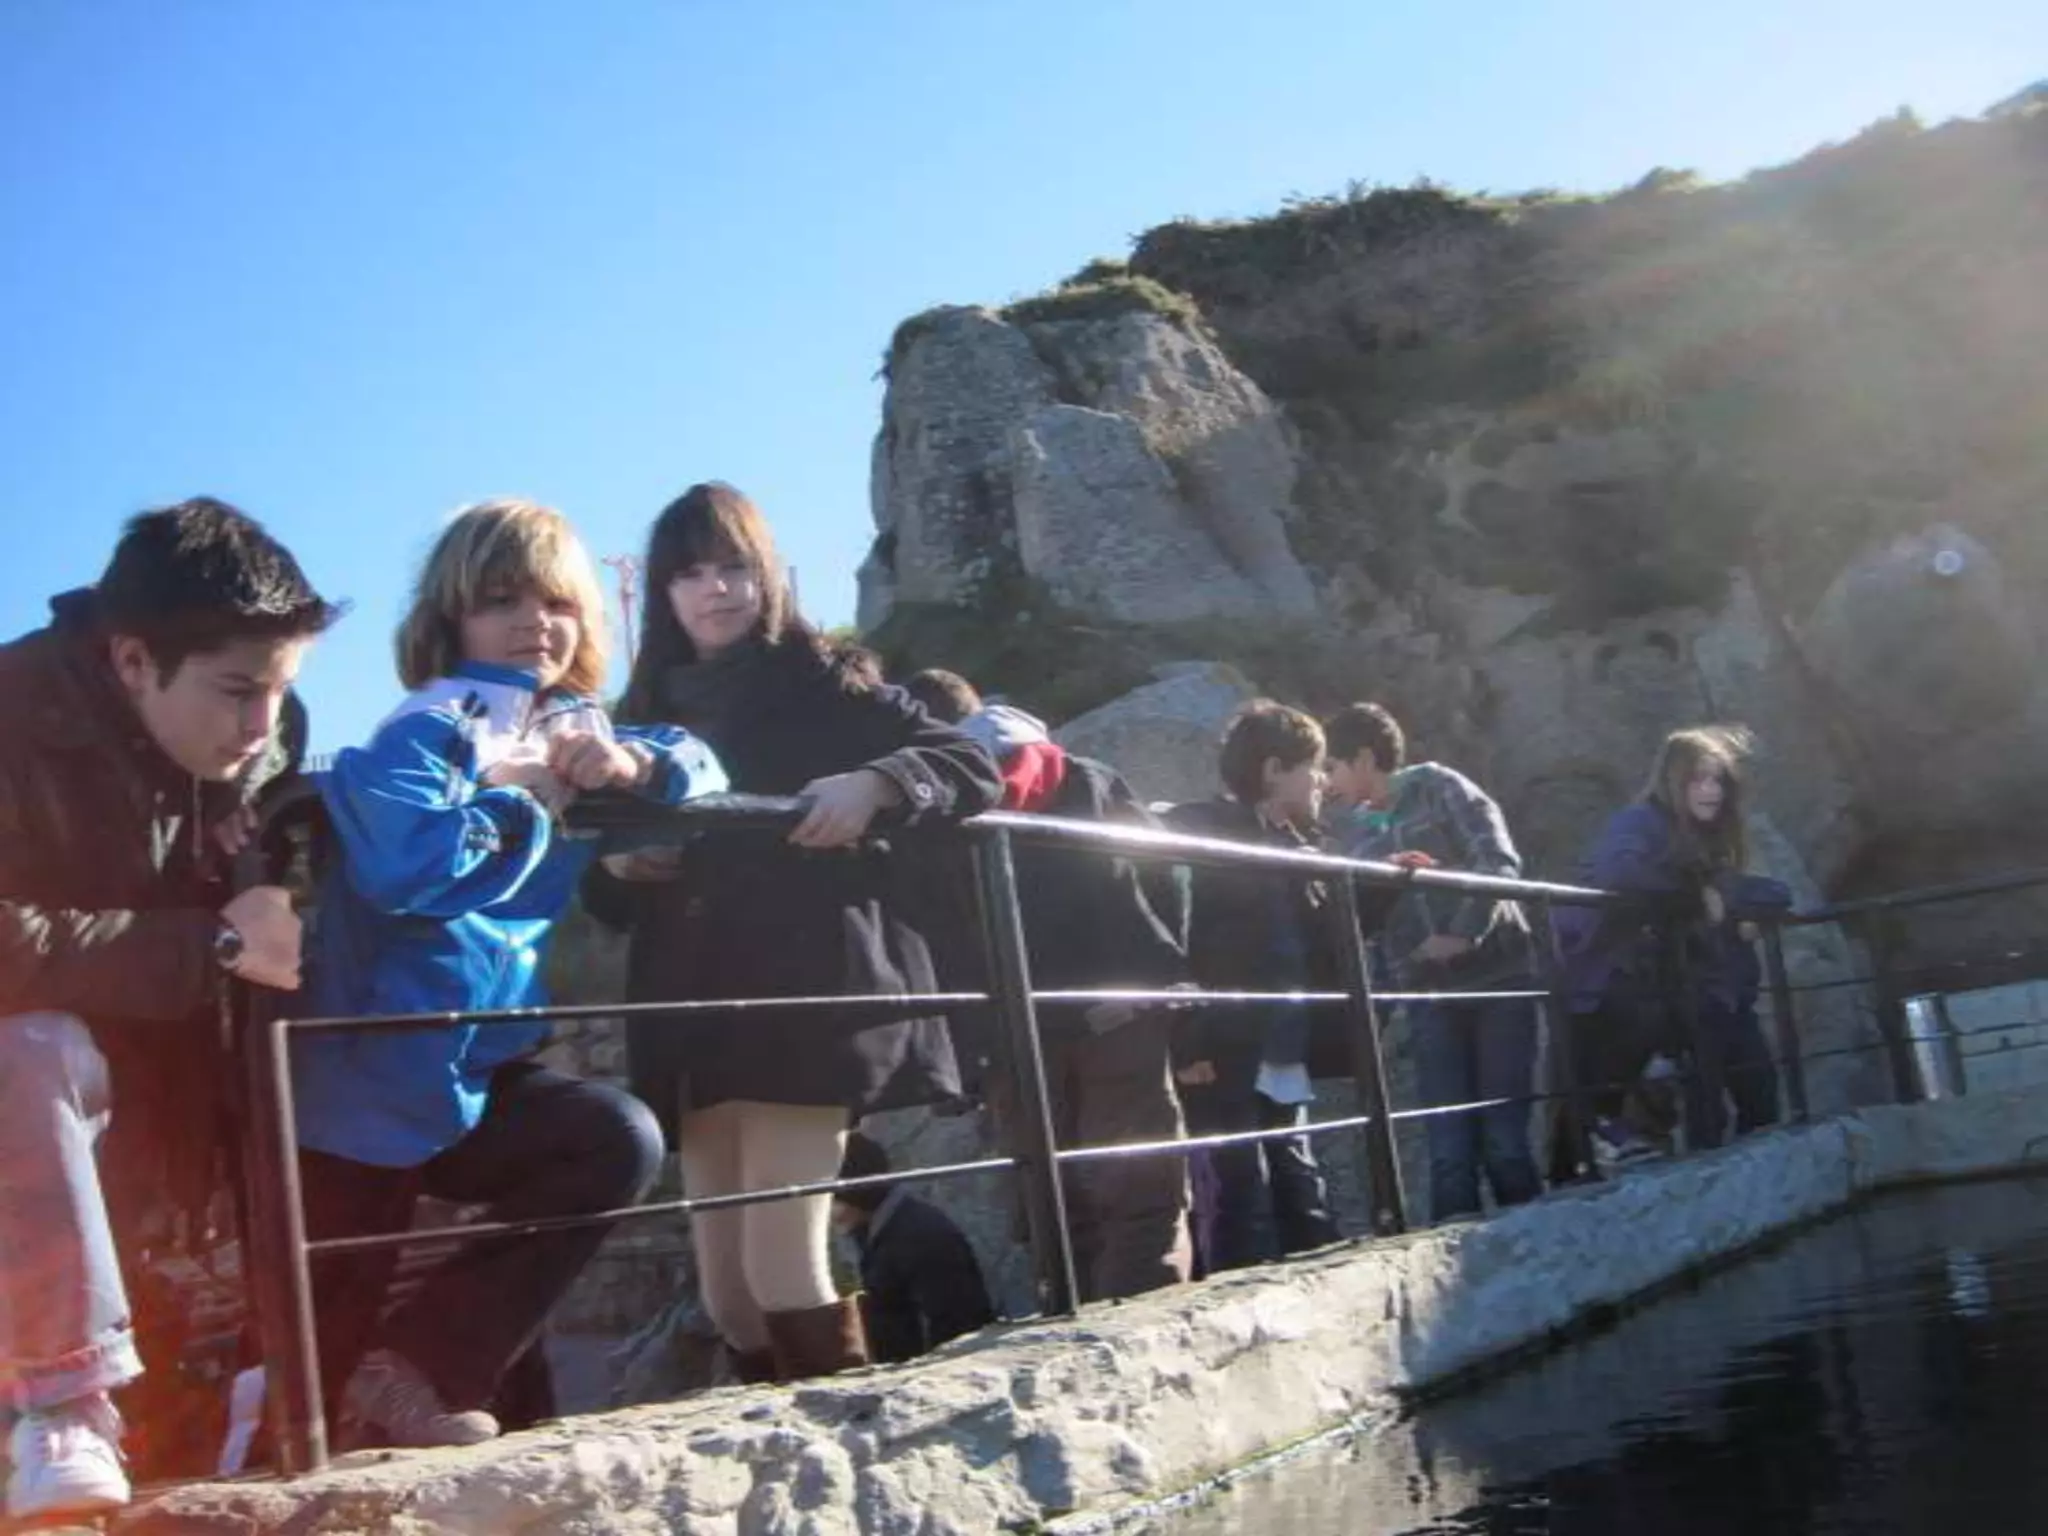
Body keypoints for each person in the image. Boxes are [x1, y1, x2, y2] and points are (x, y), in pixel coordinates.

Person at [291, 500, 727, 1449]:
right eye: (500, 601)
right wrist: (523, 803)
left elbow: (704, 768)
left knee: (612, 1137)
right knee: (312, 1360)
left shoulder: (575, 722)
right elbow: (406, 869)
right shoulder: (428, 724)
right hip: (367, 1076)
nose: (535, 622)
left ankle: (417, 1368)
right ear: (450, 619)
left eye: (556, 601)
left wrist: (634, 767)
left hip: (480, 1067)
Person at [586, 483, 1000, 1385]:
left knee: (784, 1266)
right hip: (696, 1018)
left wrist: (878, 784)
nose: (715, 589)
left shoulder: (827, 682)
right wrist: (619, 867)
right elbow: (601, 886)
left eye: (734, 566)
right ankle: (789, 1439)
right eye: (690, 573)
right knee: (728, 1295)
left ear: (767, 574)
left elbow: (970, 761)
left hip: (806, 1001)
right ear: (663, 594)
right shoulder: (643, 715)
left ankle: (849, 1442)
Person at [0, 499, 337, 1521]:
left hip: (167, 1119)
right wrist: (214, 945)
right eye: (238, 691)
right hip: (31, 1103)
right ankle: (61, 1400)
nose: (263, 725)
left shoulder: (267, 737)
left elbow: (279, 866)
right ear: (134, 660)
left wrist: (280, 887)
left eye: (283, 689)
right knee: (30, 1046)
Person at [903, 668, 1194, 1302]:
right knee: (1142, 1196)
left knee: (1051, 1200)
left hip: (1015, 1027)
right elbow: (1164, 872)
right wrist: (1165, 970)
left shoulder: (935, 804)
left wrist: (964, 1048)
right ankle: (1145, 1326)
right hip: (1120, 1008)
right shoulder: (1085, 775)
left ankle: (1068, 1319)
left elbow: (934, 932)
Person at [1324, 703, 1543, 1222]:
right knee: (1448, 1148)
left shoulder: (1441, 787)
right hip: (1427, 992)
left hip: (1497, 978)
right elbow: (1368, 921)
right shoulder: (1355, 831)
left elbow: (1497, 861)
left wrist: (1462, 932)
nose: (1327, 782)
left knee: (1504, 1140)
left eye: (1332, 767)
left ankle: (1537, 1243)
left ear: (1363, 759)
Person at [1165, 701, 1342, 1273]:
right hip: (1225, 1042)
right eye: (1312, 768)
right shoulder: (1199, 833)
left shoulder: (1292, 845)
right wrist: (1186, 1037)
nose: (1322, 781)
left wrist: (1380, 889)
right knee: (1242, 1196)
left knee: (1301, 1190)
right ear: (1272, 771)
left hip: (1280, 1044)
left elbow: (1324, 942)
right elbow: (1174, 940)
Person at [1556, 726, 1783, 1161]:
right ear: (1674, 781)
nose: (1711, 791)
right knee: (1704, 1112)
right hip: (1666, 990)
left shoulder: (1713, 839)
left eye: (1717, 780)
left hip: (1719, 993)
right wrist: (1695, 896)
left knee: (1761, 1101)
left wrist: (1731, 903)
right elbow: (1621, 873)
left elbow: (1767, 892)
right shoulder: (1641, 822)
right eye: (1698, 779)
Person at [832, 1132, 995, 1365]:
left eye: (829, 1199)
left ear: (854, 1193)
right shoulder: (876, 1226)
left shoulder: (922, 1236)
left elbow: (955, 1325)